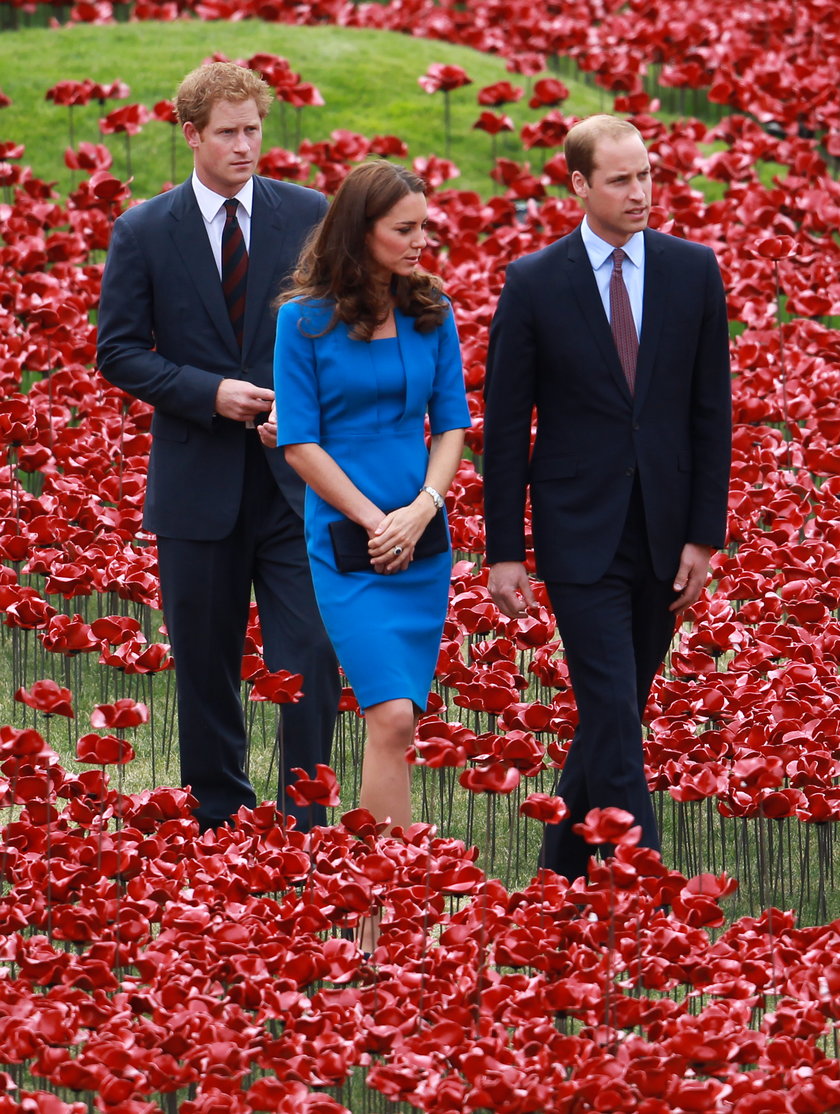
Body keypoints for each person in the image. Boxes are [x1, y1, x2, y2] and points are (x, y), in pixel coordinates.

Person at [483, 114, 732, 882]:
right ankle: (646, 893)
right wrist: (503, 551)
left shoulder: (693, 270)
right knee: (617, 715)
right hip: (578, 534)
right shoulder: (533, 281)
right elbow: (505, 423)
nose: (641, 193)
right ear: (579, 186)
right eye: (621, 179)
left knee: (614, 710)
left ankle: (558, 875)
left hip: (665, 536)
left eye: (647, 175)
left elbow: (709, 413)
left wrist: (704, 536)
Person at [97, 62, 340, 833]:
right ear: (192, 134)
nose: (245, 145)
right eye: (228, 132)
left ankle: (305, 820)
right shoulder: (142, 230)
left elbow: (342, 334)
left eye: (253, 129)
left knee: (309, 654)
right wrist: (209, 393)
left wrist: (296, 410)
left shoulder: (310, 215)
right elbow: (120, 351)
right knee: (203, 659)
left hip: (296, 478)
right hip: (196, 481)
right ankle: (219, 812)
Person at [269, 159, 470, 859]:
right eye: (404, 229)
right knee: (387, 714)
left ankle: (388, 896)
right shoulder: (303, 322)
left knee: (403, 723)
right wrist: (373, 520)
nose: (421, 241)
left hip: (422, 541)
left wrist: (421, 508)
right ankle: (378, 893)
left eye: (424, 226)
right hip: (349, 545)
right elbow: (299, 443)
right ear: (361, 231)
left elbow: (451, 427)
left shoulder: (431, 311)